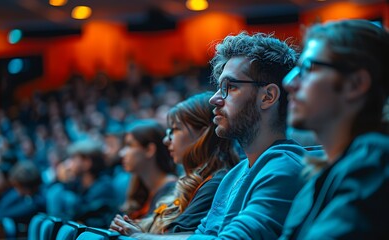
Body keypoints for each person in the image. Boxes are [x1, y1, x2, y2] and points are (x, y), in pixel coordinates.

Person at [131, 32, 308, 240]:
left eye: (230, 87)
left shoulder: (284, 168)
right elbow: (201, 236)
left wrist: (143, 238)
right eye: (219, 88)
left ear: (268, 97)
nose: (214, 99)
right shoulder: (234, 174)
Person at [280, 19, 389, 239]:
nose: (289, 83)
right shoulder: (320, 173)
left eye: (308, 68)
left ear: (355, 84)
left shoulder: (373, 162)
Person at [110, 91, 240, 235]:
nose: (167, 140)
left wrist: (139, 235)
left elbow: (175, 236)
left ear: (202, 134)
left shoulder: (215, 184)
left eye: (175, 129)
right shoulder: (197, 181)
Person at [119, 119, 177, 220]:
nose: (122, 153)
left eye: (129, 145)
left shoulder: (171, 191)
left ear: (149, 150)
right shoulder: (139, 188)